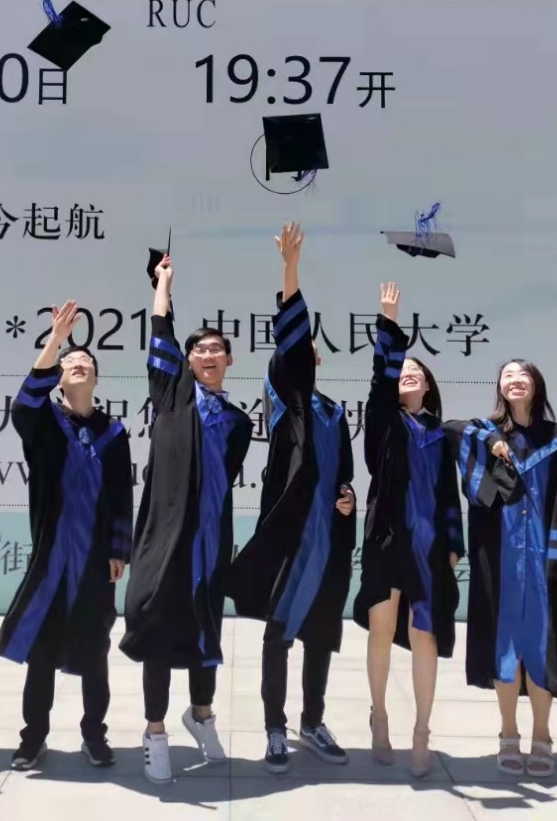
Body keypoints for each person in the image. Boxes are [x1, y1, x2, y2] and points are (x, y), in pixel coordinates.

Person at [228, 223, 356, 773]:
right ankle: (275, 727)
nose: (305, 355)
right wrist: (290, 270)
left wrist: (347, 498)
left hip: (327, 540)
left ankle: (312, 720)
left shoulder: (334, 413)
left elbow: (344, 474)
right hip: (291, 539)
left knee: (320, 634)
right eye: (297, 351)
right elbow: (291, 345)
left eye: (310, 352)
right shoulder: (285, 403)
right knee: (279, 633)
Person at [120, 253, 251, 785]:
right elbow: (161, 331)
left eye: (216, 349)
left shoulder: (239, 423)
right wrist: (164, 285)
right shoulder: (172, 396)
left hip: (210, 543)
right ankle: (155, 734)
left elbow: (221, 482)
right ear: (188, 362)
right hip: (164, 539)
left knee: (205, 635)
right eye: (199, 350)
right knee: (157, 631)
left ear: (229, 359)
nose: (208, 354)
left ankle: (201, 717)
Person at [0, 300, 134, 771]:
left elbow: (121, 495)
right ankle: (33, 737)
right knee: (41, 651)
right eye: (70, 361)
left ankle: (94, 734)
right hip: (51, 558)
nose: (78, 363)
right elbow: (23, 405)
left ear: (96, 378)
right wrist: (55, 340)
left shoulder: (113, 432)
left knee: (95, 651)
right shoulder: (46, 425)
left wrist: (118, 548)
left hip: (94, 560)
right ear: (58, 376)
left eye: (86, 361)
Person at [452, 360, 557, 778]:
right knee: (505, 647)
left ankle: (542, 735)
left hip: (545, 561)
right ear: (500, 387)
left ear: (536, 384)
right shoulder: (485, 433)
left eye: (523, 375)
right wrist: (492, 439)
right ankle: (509, 733)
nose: (515, 381)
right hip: (499, 559)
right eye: (507, 376)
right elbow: (450, 430)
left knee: (543, 647)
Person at [352, 282, 463, 779]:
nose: (407, 374)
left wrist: (454, 545)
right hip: (387, 539)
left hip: (429, 547)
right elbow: (381, 380)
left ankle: (421, 731)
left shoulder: (441, 432)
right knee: (381, 630)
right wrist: (390, 322)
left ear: (428, 386)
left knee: (425, 636)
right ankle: (379, 717)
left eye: (416, 371)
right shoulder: (384, 422)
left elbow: (450, 495)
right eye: (403, 369)